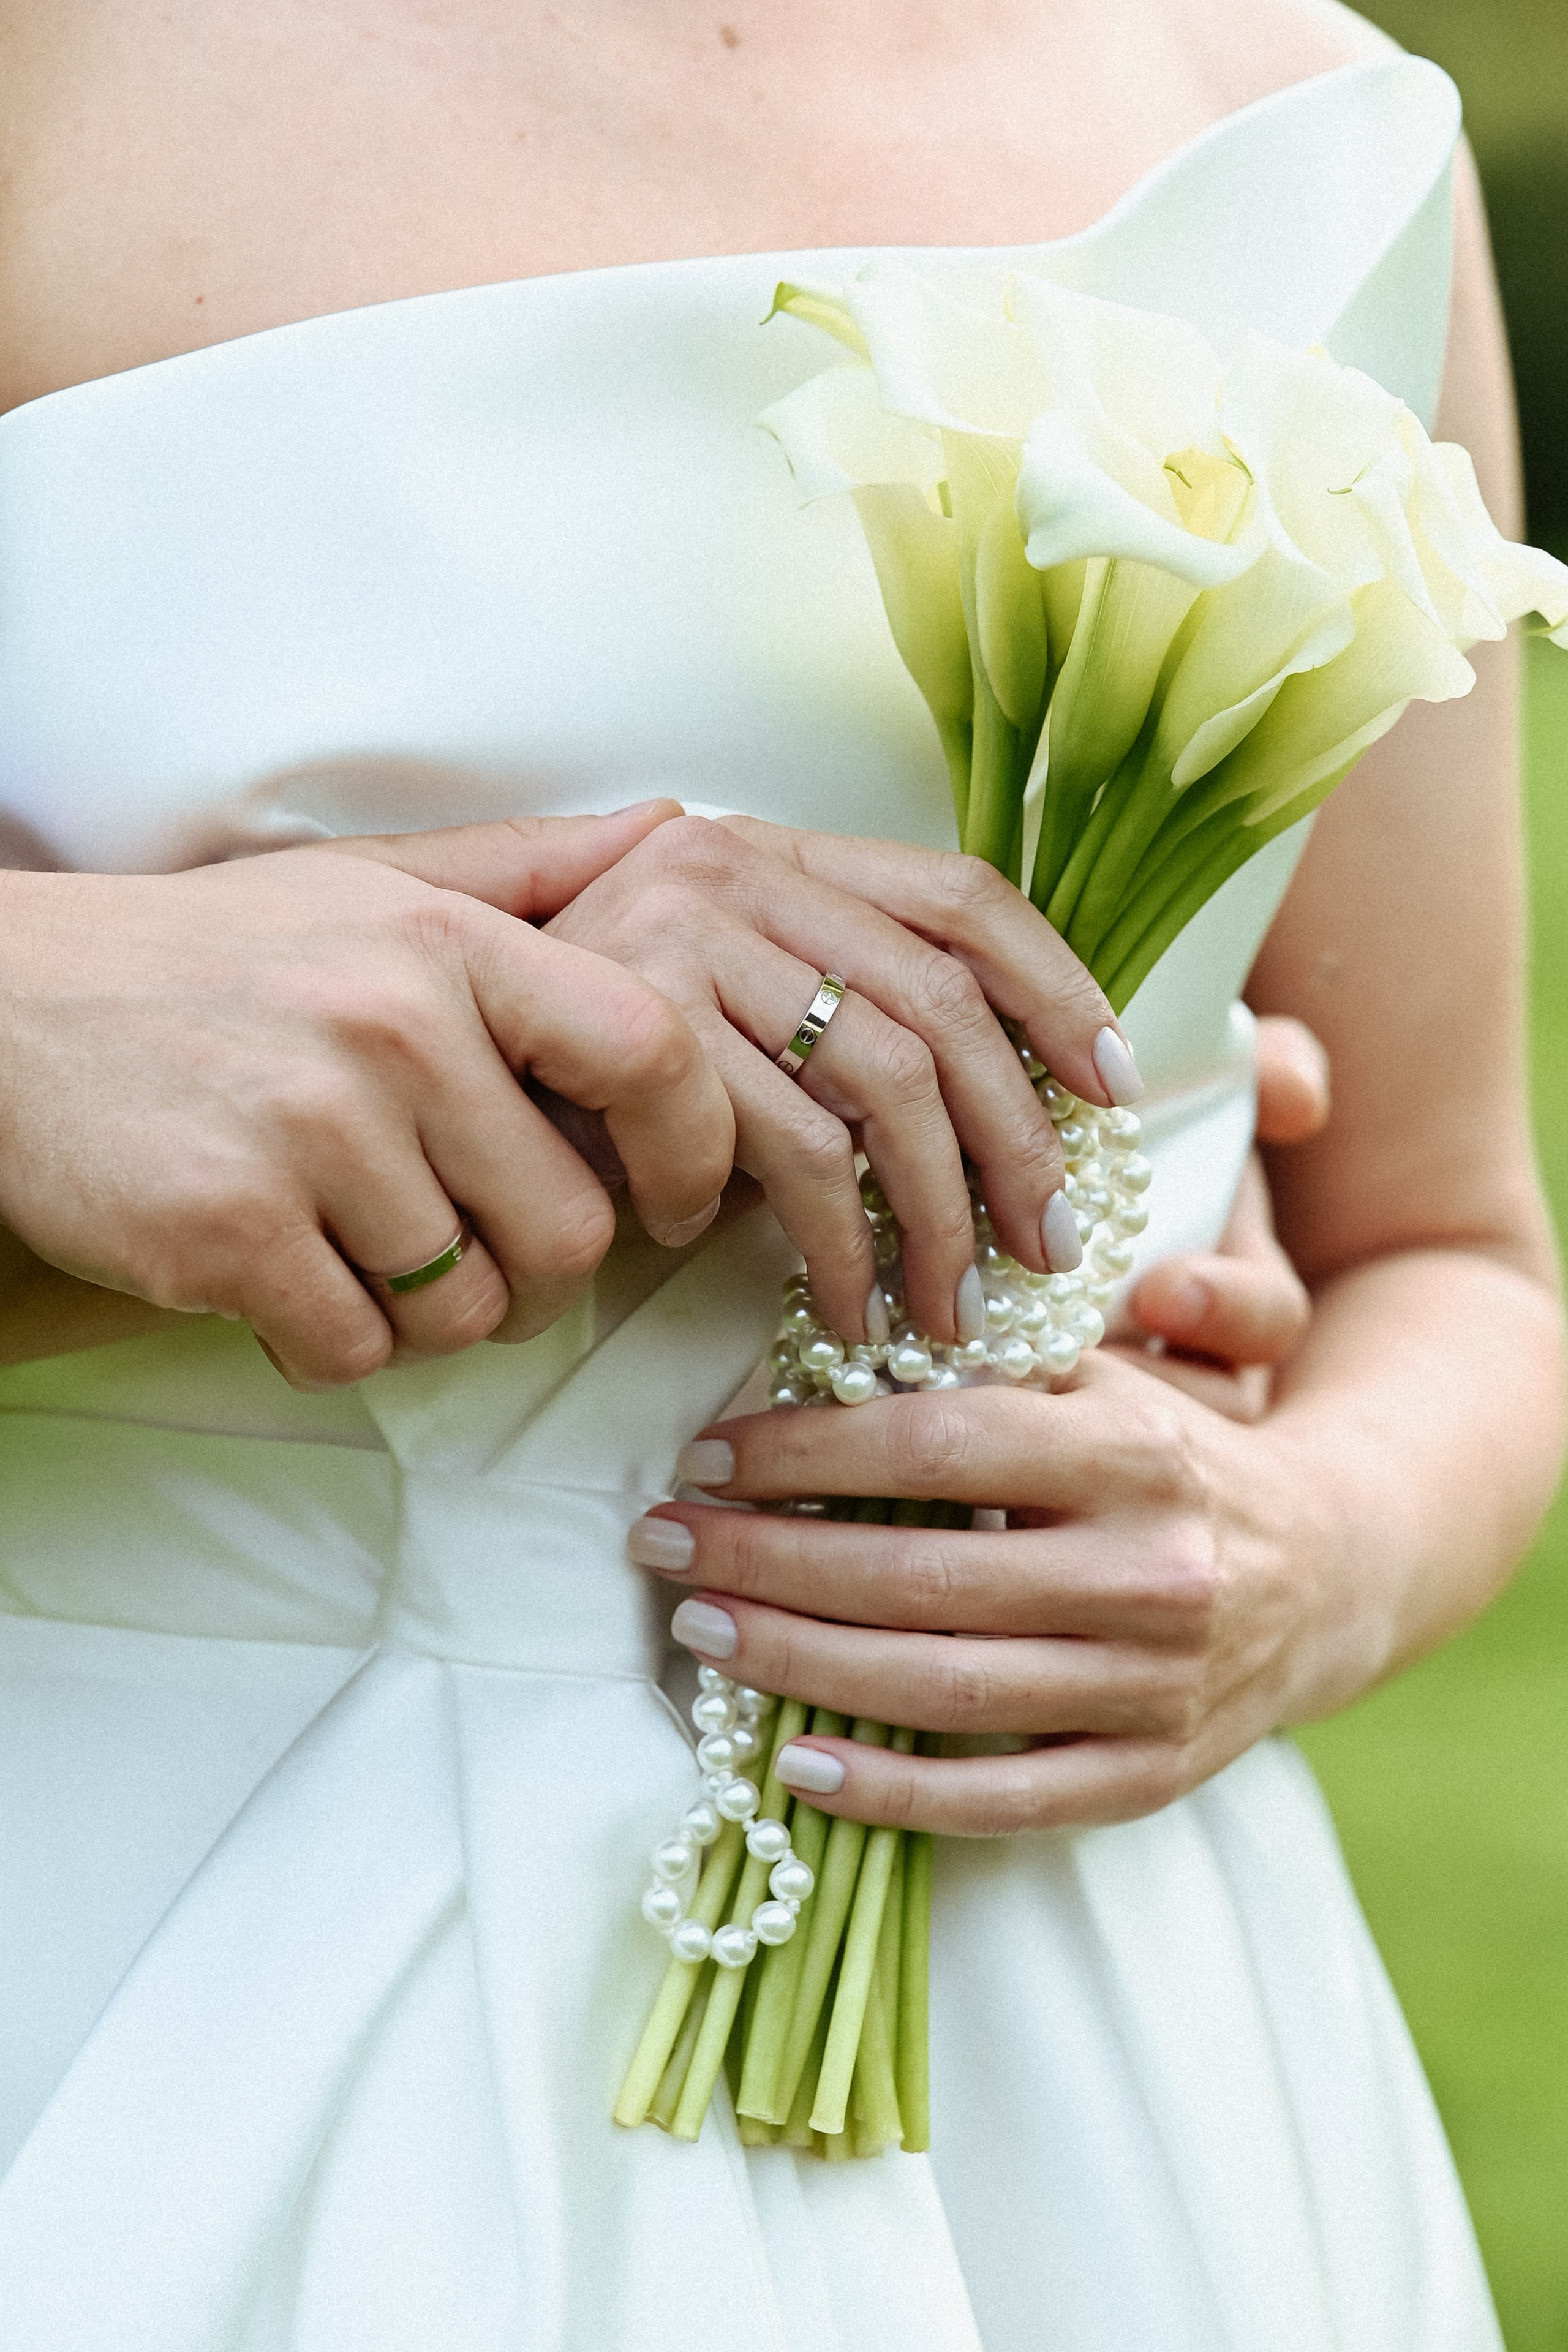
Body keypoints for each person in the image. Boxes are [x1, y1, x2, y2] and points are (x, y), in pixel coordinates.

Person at [0, 4, 1556, 2348]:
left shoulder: (1294, 122)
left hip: (1052, 2050)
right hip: (108, 1924)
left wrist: (1300, 1557)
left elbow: (1451, 1252)